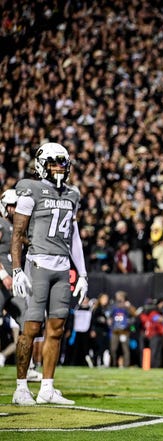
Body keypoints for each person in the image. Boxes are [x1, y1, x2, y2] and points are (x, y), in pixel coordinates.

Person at [11, 142, 89, 405]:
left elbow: (74, 236)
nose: (59, 167)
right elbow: (18, 234)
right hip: (38, 265)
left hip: (62, 267)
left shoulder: (73, 194)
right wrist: (17, 268)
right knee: (31, 327)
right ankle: (21, 387)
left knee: (56, 329)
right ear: (42, 164)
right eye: (54, 162)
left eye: (62, 163)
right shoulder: (29, 189)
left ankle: (47, 388)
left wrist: (84, 273)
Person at [0, 189, 27, 331]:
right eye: (14, 206)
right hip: (2, 281)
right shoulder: (1, 224)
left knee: (28, 321)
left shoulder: (18, 228)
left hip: (13, 284)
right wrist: (3, 275)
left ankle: (24, 354)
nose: (17, 210)